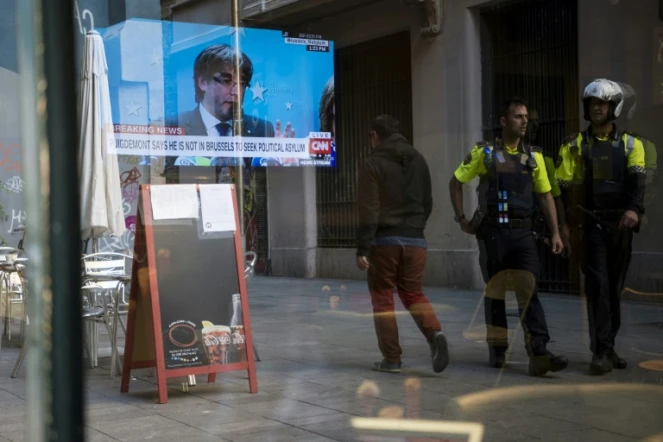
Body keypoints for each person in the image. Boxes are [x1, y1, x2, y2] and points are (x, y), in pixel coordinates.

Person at [449, 97, 568, 377]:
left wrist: (555, 232)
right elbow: (456, 181)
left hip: (524, 233)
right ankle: (498, 349)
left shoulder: (533, 156)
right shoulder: (485, 154)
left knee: (530, 290)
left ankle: (539, 351)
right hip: (493, 233)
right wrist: (461, 219)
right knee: (496, 293)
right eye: (518, 116)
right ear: (504, 121)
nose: (524, 121)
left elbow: (545, 194)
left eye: (526, 116)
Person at [556, 79, 646, 375]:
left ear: (613, 107)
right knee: (598, 287)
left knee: (615, 288)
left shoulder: (633, 145)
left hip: (620, 224)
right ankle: (600, 351)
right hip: (590, 224)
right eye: (593, 104)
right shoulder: (574, 145)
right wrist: (565, 225)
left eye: (603, 104)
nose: (597, 109)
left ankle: (608, 345)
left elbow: (637, 182)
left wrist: (634, 209)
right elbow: (562, 188)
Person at [356, 115, 449, 374]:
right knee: (413, 293)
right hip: (415, 239)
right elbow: (427, 201)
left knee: (383, 298)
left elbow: (369, 209)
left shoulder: (372, 163)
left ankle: (392, 359)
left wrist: (363, 247)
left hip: (384, 242)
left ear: (374, 135)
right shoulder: (418, 159)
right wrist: (415, 228)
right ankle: (435, 334)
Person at [163, 44, 294, 181]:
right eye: (226, 81)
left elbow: (265, 189)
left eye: (242, 83)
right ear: (202, 82)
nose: (236, 91)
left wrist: (280, 166)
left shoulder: (262, 129)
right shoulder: (173, 127)